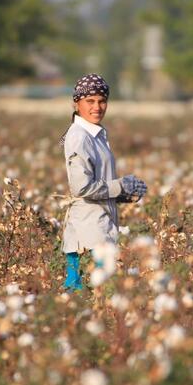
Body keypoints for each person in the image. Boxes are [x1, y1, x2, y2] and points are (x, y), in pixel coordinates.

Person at [58, 73, 147, 291]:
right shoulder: (79, 136)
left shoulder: (95, 135)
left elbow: (98, 182)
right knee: (88, 293)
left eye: (102, 101)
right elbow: (82, 188)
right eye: (90, 101)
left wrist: (125, 194)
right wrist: (120, 186)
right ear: (76, 103)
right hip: (87, 232)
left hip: (98, 225)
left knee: (93, 296)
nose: (97, 107)